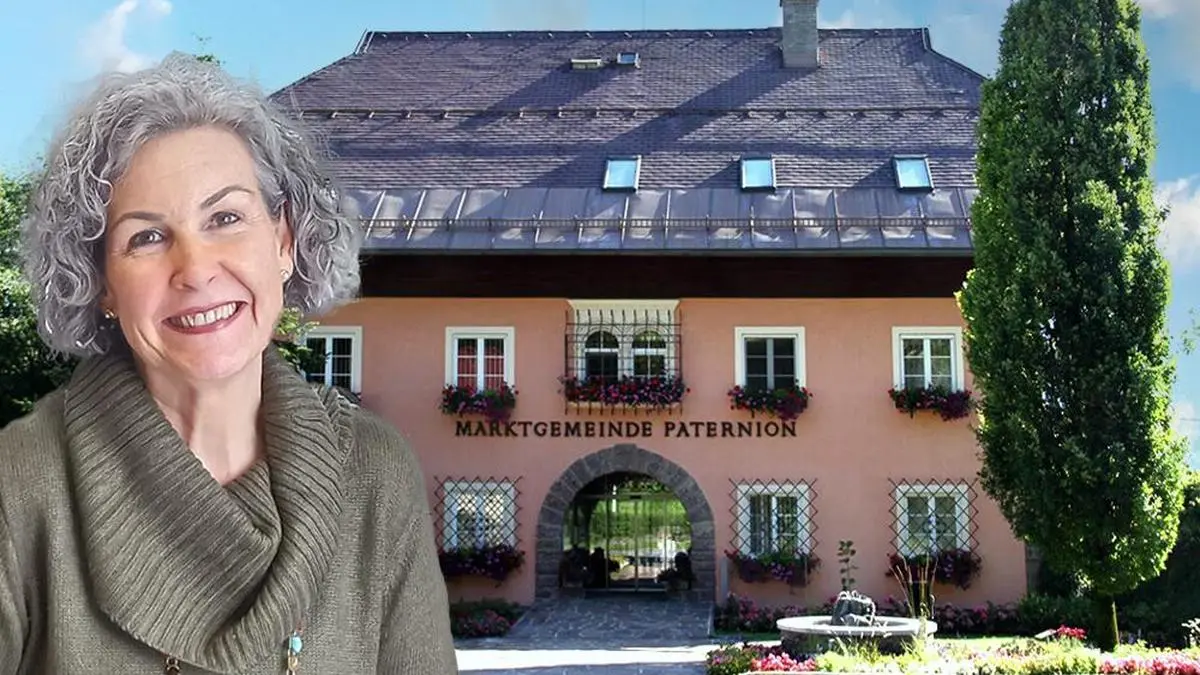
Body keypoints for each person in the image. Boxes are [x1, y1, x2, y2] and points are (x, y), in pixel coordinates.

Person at [0, 53, 457, 673]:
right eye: (146, 237)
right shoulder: (19, 484)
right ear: (101, 283)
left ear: (283, 243)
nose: (194, 269)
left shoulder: (375, 470)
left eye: (225, 218)